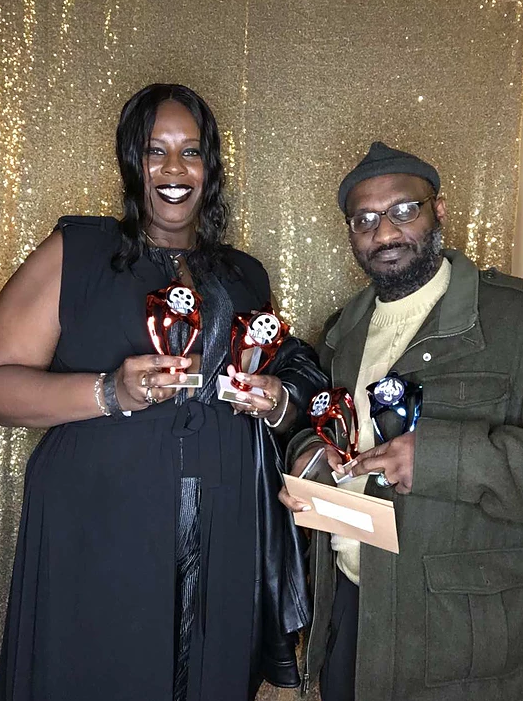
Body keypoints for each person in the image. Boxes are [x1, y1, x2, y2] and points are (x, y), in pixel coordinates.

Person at [0, 83, 327, 701]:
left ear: (210, 167)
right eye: (156, 151)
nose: (175, 169)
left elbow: (284, 371)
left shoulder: (244, 274)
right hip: (99, 530)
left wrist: (270, 395)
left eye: (191, 151)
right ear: (133, 161)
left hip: (225, 530)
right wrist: (109, 392)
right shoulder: (79, 253)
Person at [279, 141, 523, 701]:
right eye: (364, 219)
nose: (384, 232)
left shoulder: (512, 320)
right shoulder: (341, 333)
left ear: (439, 211)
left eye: (403, 210)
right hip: (352, 613)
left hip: (462, 636)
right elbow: (327, 429)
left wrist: (437, 458)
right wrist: (307, 456)